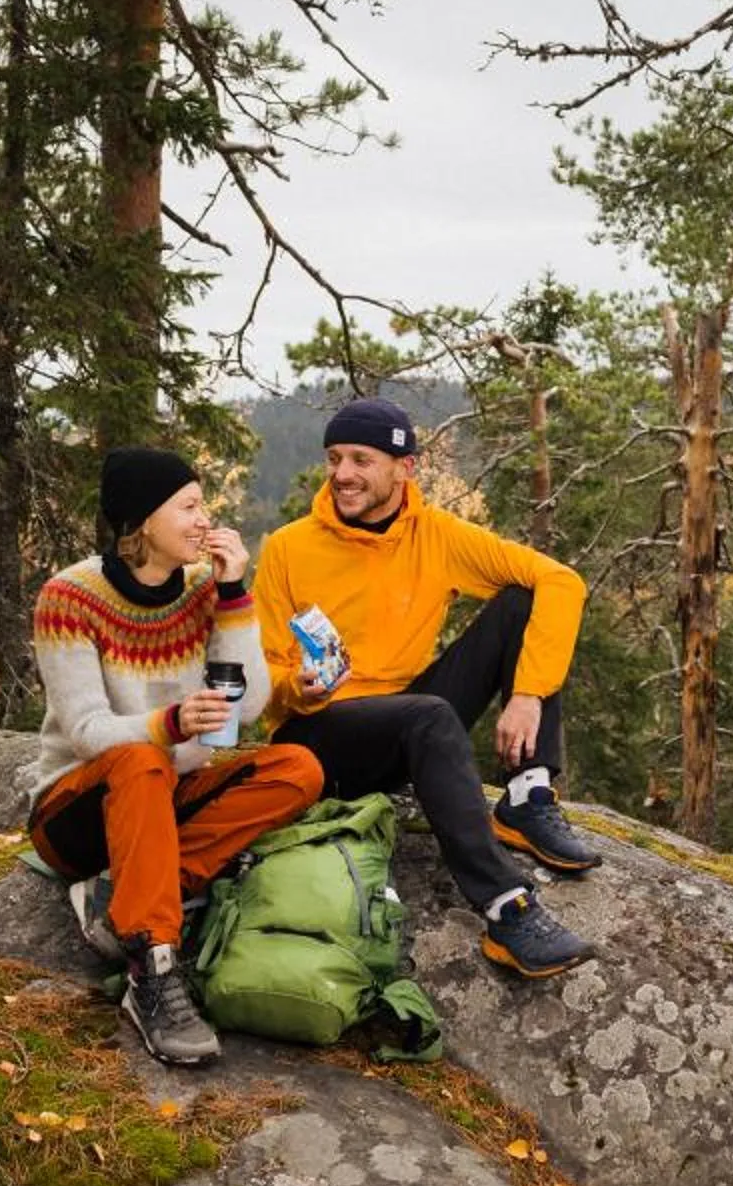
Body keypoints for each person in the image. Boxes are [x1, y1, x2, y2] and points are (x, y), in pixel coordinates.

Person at [255, 395, 605, 979]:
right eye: (335, 458)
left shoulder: (435, 536)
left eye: (361, 460)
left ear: (404, 469)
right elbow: (258, 673)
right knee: (430, 714)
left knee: (523, 600)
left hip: (403, 720)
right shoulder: (289, 548)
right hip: (316, 735)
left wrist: (526, 694)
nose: (343, 474)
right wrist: (299, 685)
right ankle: (506, 909)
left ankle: (529, 794)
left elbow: (561, 581)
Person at [26, 446, 325, 1067]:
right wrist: (169, 723)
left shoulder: (202, 588)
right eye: (188, 506)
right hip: (78, 808)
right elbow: (86, 730)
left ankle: (125, 894)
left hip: (163, 802)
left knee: (298, 768)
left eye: (201, 506)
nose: (203, 520)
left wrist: (235, 591)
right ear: (143, 520)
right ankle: (152, 968)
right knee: (144, 760)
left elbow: (248, 710)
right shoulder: (68, 597)